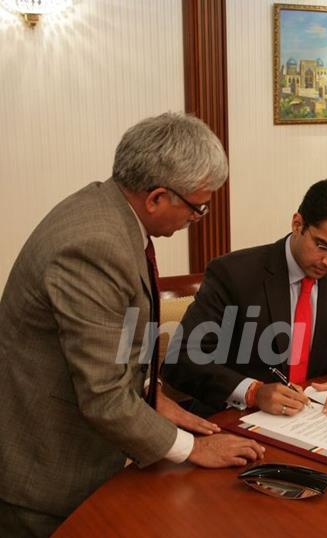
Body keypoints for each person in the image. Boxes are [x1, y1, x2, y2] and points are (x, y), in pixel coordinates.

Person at [0, 113, 265, 537]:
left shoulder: (104, 209)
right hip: (46, 475)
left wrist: (149, 394)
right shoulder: (93, 247)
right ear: (157, 196)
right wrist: (194, 448)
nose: (198, 218)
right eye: (197, 207)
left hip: (78, 453)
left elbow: (104, 345)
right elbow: (103, 395)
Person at [162, 178, 327, 418]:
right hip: (237, 419)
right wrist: (252, 392)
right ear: (297, 224)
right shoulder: (234, 274)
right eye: (323, 246)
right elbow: (181, 361)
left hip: (315, 419)